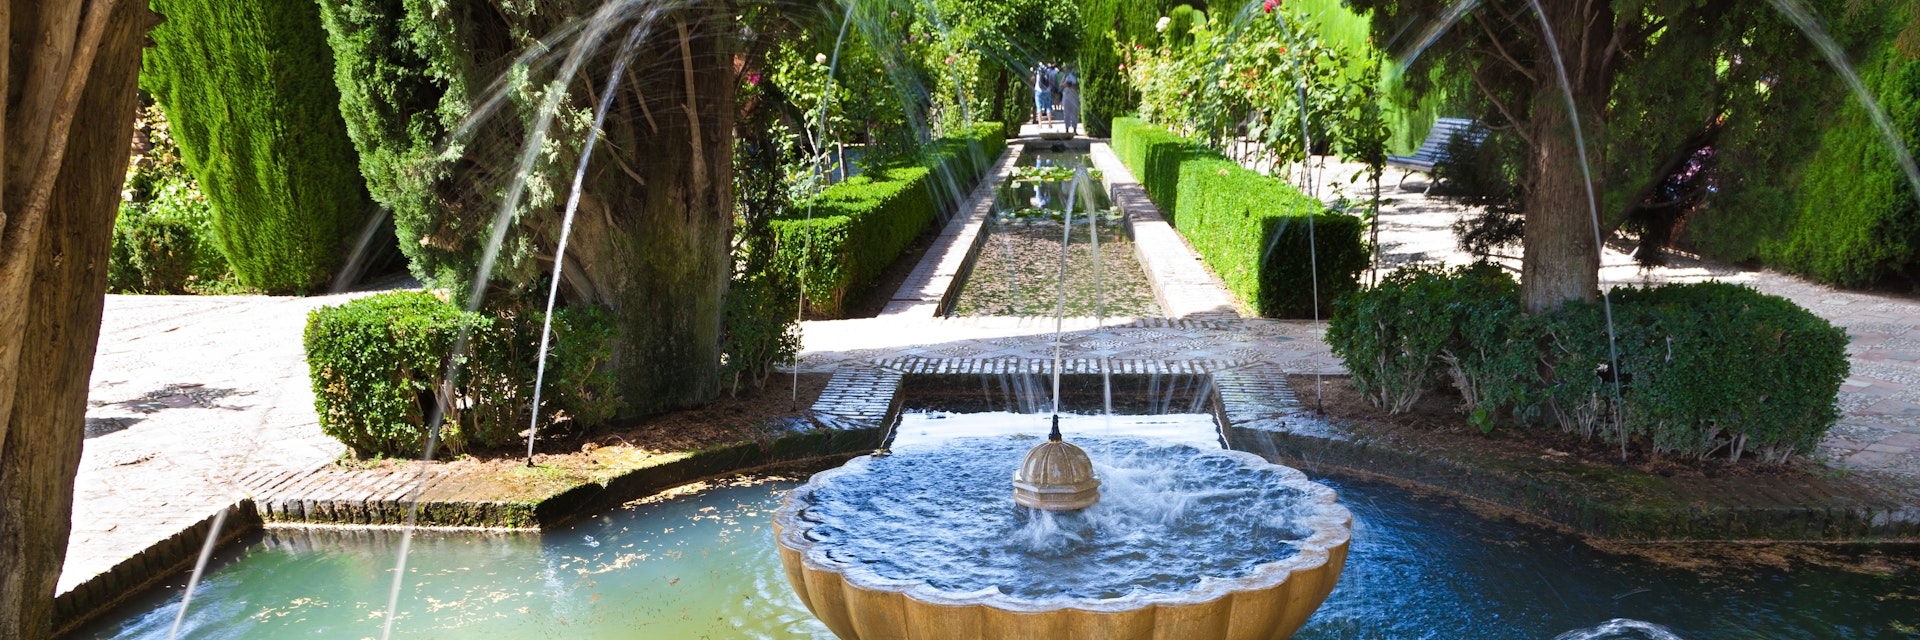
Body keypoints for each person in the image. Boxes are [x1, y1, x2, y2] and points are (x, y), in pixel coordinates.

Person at [1059, 68, 1081, 136]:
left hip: (1074, 97)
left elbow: (1078, 86)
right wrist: (1066, 84)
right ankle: (1067, 129)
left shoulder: (1076, 76)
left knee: (1074, 114)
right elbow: (1061, 85)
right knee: (1066, 113)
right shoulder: (1065, 76)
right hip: (1066, 96)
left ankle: (1074, 129)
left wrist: (1071, 85)